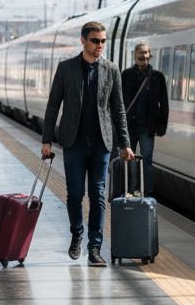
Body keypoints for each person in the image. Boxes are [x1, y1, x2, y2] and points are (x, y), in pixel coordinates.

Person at [41, 21, 132, 267]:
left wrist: (125, 143)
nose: (100, 45)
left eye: (103, 41)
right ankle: (77, 234)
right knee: (75, 194)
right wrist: (47, 139)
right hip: (74, 142)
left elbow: (118, 109)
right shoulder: (66, 68)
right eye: (95, 41)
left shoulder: (112, 70)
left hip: (101, 143)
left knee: (98, 195)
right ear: (83, 41)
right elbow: (53, 104)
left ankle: (94, 248)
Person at [120, 43, 169, 197]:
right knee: (130, 158)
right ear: (135, 55)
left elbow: (164, 103)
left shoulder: (157, 77)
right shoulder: (126, 75)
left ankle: (146, 192)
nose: (143, 56)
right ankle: (130, 190)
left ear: (150, 55)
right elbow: (119, 101)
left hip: (147, 127)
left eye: (146, 53)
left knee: (147, 158)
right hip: (129, 126)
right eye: (140, 53)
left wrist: (162, 125)